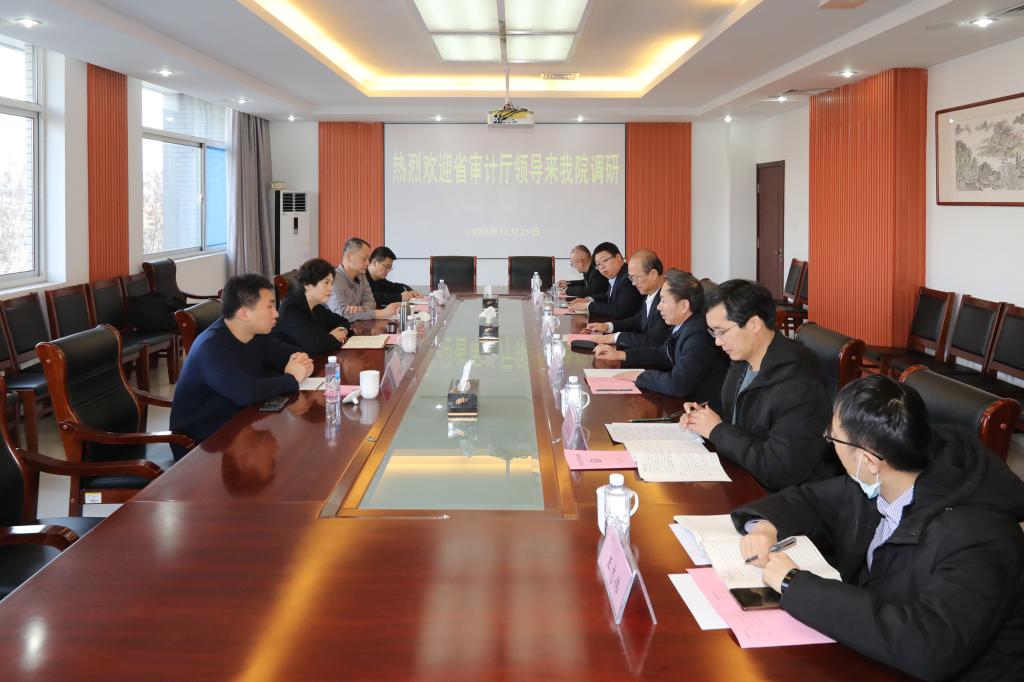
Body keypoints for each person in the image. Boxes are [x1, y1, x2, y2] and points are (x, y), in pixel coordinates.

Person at [731, 375, 1024, 681]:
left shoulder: (982, 539)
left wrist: (794, 583)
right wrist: (764, 526)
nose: (829, 441)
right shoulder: (889, 475)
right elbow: (811, 500)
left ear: (869, 460)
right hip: (880, 656)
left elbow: (928, 644)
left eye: (833, 437)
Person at [682, 279, 838, 491]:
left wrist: (716, 430)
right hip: (742, 473)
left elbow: (780, 470)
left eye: (722, 331)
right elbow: (740, 414)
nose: (717, 342)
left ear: (754, 324)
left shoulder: (799, 384)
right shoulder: (742, 359)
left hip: (782, 495)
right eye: (713, 332)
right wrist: (701, 417)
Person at [169, 274, 314, 459]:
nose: (276, 313)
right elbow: (244, 393)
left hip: (240, 423)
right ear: (244, 314)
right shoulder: (211, 347)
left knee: (296, 447)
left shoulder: (255, 334)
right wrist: (292, 378)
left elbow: (288, 354)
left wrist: (301, 361)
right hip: (203, 443)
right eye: (269, 307)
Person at [603, 269, 728, 407]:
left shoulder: (698, 335)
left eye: (663, 300)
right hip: (687, 404)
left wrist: (639, 376)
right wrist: (621, 355)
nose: (658, 307)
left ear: (684, 306)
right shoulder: (683, 325)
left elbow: (678, 384)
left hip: (704, 409)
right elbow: (662, 354)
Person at [585, 250, 670, 350]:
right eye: (631, 278)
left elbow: (652, 341)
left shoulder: (668, 301)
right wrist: (607, 326)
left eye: (636, 278)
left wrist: (614, 338)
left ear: (653, 274)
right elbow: (637, 321)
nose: (633, 283)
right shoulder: (651, 293)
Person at [274, 257, 351, 354]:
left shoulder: (315, 305)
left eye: (331, 283)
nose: (331, 288)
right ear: (308, 284)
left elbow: (343, 321)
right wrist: (333, 337)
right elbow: (315, 346)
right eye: (326, 282)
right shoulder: (291, 308)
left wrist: (340, 333)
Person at [327, 237, 401, 321]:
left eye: (368, 259)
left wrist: (360, 310)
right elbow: (341, 314)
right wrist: (381, 313)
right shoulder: (333, 279)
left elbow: (371, 302)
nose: (367, 263)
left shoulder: (361, 275)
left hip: (359, 325)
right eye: (364, 259)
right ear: (349, 257)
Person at [567, 242, 643, 319]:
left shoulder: (628, 277)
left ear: (618, 257)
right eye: (598, 264)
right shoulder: (617, 275)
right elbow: (608, 295)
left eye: (604, 260)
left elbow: (620, 311)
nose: (601, 267)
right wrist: (588, 299)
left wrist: (588, 306)